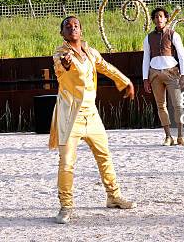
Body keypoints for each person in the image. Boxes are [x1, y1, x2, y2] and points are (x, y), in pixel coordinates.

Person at [50, 16, 137, 224]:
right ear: (62, 33)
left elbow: (106, 67)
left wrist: (125, 82)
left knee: (104, 155)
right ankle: (66, 206)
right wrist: (66, 63)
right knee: (67, 162)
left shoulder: (90, 52)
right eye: (68, 27)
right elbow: (61, 67)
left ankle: (113, 196)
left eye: (76, 26)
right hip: (70, 115)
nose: (72, 29)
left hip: (92, 114)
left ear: (81, 30)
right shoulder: (60, 53)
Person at [142, 7, 184, 146]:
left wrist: (183, 75)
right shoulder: (148, 37)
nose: (158, 19)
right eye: (156, 17)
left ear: (166, 18)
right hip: (154, 73)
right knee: (161, 106)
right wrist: (145, 78)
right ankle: (168, 136)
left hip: (172, 72)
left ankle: (180, 135)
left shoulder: (173, 34)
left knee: (178, 104)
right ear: (154, 20)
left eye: (161, 16)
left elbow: (182, 56)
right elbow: (145, 58)